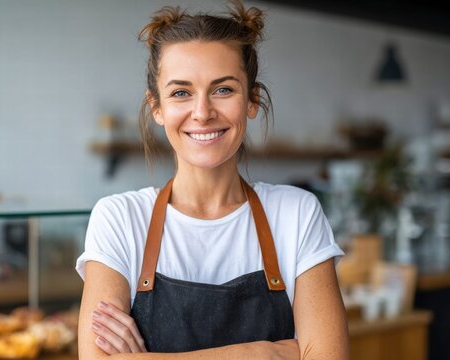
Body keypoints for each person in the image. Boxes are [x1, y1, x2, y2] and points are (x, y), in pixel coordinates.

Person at [76, 1, 349, 358]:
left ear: (251, 100)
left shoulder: (296, 213)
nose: (202, 113)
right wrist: (268, 353)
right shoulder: (120, 219)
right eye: (180, 93)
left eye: (223, 89)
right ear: (157, 107)